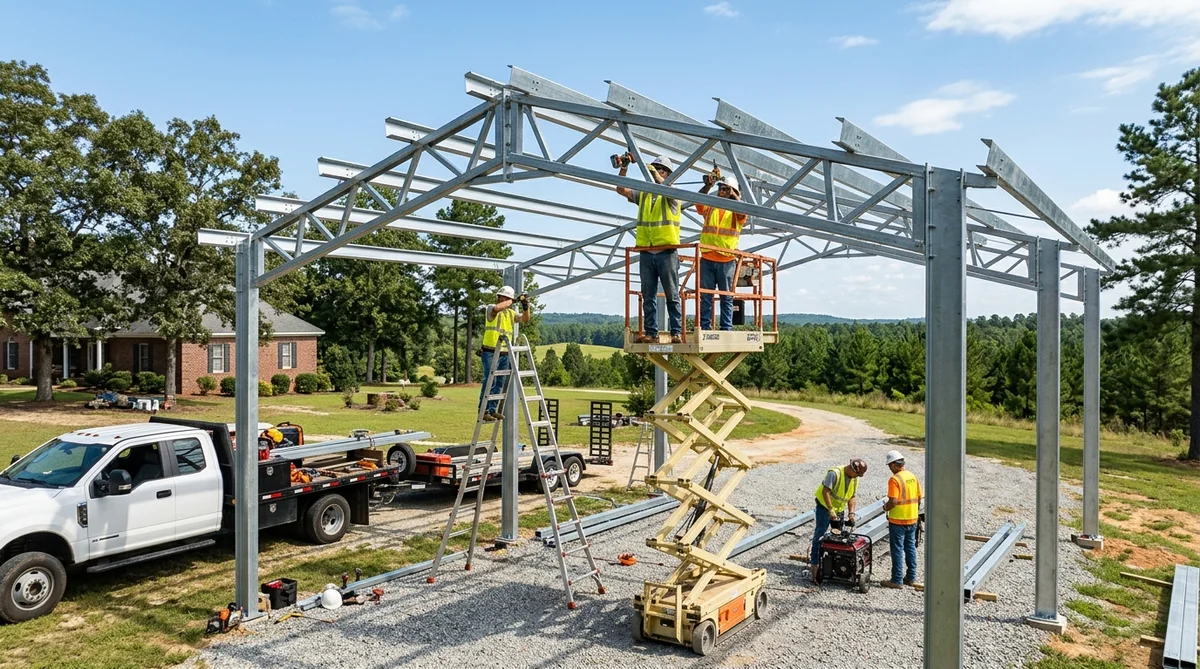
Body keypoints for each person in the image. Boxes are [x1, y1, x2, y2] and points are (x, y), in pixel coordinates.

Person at [614, 153, 683, 343]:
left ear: (668, 174)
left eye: (661, 169)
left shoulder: (673, 193)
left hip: (667, 251)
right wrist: (625, 166)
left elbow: (665, 187)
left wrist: (648, 167)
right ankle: (651, 333)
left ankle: (676, 332)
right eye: (656, 168)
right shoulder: (644, 193)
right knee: (648, 295)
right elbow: (620, 189)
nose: (657, 172)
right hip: (646, 250)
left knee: (672, 294)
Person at [696, 174, 747, 331]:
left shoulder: (736, 211)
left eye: (726, 189)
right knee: (705, 296)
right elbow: (698, 201)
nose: (722, 191)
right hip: (707, 257)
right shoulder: (711, 207)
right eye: (721, 188)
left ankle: (726, 328)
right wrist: (707, 186)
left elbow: (743, 212)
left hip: (726, 259)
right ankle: (705, 327)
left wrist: (734, 196)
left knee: (726, 296)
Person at [479, 286, 531, 421]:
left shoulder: (510, 313)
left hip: (504, 352)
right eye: (505, 298)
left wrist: (526, 307)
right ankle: (483, 410)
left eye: (508, 299)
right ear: (500, 297)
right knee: (489, 381)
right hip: (490, 350)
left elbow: (525, 319)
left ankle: (492, 409)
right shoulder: (491, 308)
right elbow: (497, 309)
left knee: (500, 382)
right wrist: (514, 300)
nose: (507, 301)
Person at [809, 458, 868, 574]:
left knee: (839, 538)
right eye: (857, 474)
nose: (857, 477)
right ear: (852, 468)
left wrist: (851, 513)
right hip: (825, 508)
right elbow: (825, 492)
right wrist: (830, 510)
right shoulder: (834, 473)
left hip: (839, 509)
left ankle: (835, 564)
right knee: (820, 535)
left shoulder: (854, 479)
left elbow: (852, 496)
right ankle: (814, 564)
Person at [882, 450, 923, 588]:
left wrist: (885, 508)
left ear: (894, 464)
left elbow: (893, 501)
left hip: (898, 521)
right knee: (910, 547)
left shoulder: (895, 480)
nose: (889, 468)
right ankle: (911, 577)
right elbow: (918, 498)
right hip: (912, 519)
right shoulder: (912, 476)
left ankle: (897, 580)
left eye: (889, 465)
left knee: (897, 549)